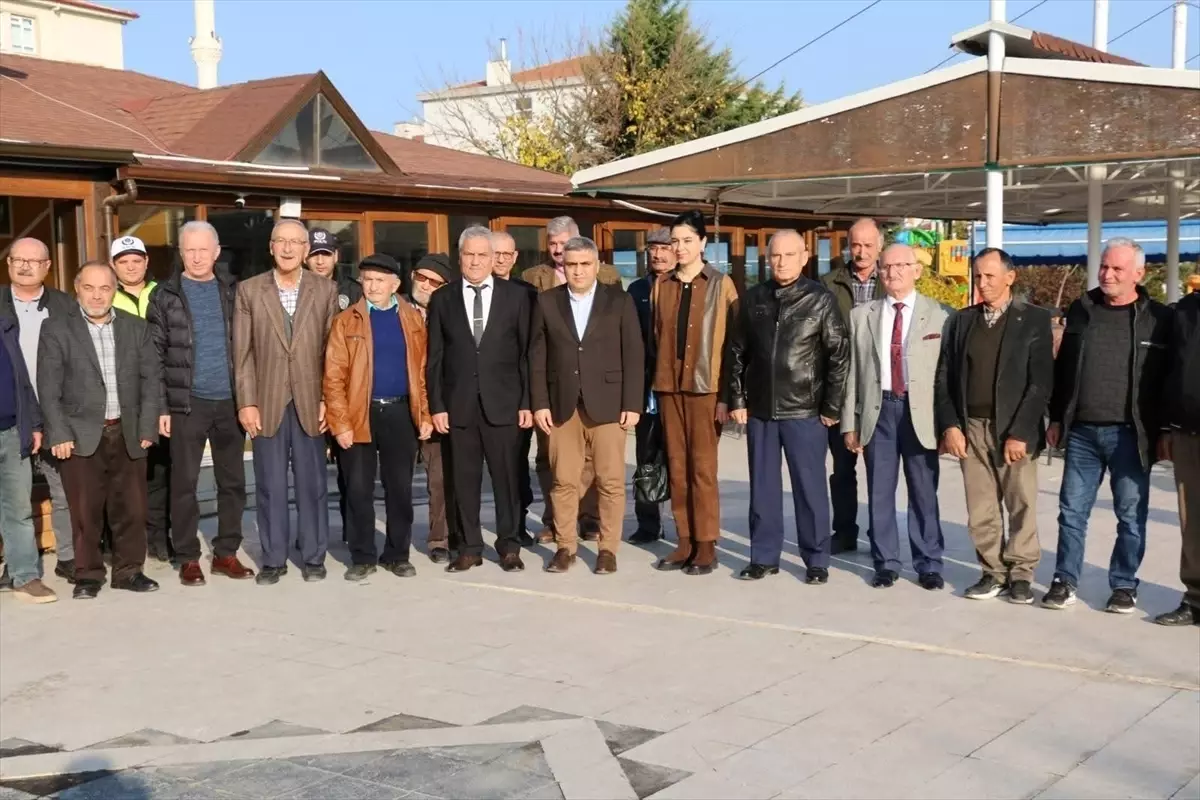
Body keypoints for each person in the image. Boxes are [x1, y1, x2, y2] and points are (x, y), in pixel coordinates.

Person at [1045, 237, 1173, 613]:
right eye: (1104, 266)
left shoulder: (1158, 319)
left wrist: (1165, 430)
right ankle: (1064, 580)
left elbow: (1167, 378)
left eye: (1117, 268)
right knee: (1071, 512)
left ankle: (1124, 584)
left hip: (1131, 435)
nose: (1107, 274)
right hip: (1081, 433)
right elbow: (1063, 369)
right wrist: (1057, 417)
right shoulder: (1081, 309)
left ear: (1138, 274)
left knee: (1130, 516)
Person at [726, 230, 849, 584]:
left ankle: (816, 559)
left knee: (810, 489)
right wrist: (738, 399)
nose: (781, 262)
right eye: (775, 256)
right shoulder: (754, 299)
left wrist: (831, 406)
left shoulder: (820, 300)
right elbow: (736, 352)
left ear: (804, 257)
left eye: (789, 255)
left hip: (805, 412)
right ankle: (764, 557)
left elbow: (839, 356)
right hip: (762, 412)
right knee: (763, 489)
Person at [935, 248, 1054, 605]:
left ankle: (1021, 574)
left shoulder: (1033, 319)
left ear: (1009, 277)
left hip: (1013, 429)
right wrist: (950, 426)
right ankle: (992, 572)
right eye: (978, 276)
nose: (982, 283)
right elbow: (945, 376)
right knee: (981, 507)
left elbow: (1040, 382)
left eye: (989, 276)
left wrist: (1020, 432)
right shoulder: (962, 321)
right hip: (971, 427)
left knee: (1021, 504)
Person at [37, 261, 161, 599]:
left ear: (114, 290)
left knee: (132, 509)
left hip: (128, 431)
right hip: (79, 435)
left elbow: (151, 381)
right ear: (77, 289)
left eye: (105, 288)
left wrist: (148, 426)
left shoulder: (136, 328)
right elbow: (48, 387)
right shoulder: (57, 328)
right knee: (84, 512)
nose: (96, 296)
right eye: (89, 288)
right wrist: (59, 433)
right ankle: (88, 575)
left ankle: (129, 571)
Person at [147, 221, 254, 587]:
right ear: (181, 253)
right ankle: (188, 556)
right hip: (186, 403)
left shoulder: (234, 291)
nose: (196, 257)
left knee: (232, 482)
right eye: (189, 250)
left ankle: (226, 553)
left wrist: (249, 399)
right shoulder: (165, 295)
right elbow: (154, 356)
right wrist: (162, 407)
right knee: (184, 483)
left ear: (216, 252)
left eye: (203, 250)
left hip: (229, 402)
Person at [233, 218, 338, 585]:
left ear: (306, 250)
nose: (288, 248)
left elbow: (332, 352)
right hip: (267, 401)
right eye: (281, 241)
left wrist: (329, 399)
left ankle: (313, 557)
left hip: (311, 401)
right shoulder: (249, 291)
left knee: (313, 485)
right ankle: (273, 559)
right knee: (270, 485)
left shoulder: (325, 290)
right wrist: (247, 402)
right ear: (271, 247)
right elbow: (242, 353)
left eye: (296, 242)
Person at [530, 236, 643, 574]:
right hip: (562, 405)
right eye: (571, 264)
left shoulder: (619, 300)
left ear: (596, 265)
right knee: (563, 481)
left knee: (610, 481)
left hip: (609, 405)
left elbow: (633, 354)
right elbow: (537, 357)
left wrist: (632, 402)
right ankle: (565, 547)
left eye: (584, 264)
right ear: (562, 266)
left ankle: (608, 549)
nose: (578, 270)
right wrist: (540, 403)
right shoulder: (546, 302)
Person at [842, 243, 949, 591]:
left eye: (902, 265)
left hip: (920, 414)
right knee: (879, 491)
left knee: (923, 492)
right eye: (887, 267)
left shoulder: (940, 315)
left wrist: (949, 425)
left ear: (917, 270)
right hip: (879, 412)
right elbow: (853, 373)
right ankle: (885, 562)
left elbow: (946, 376)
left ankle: (928, 563)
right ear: (879, 272)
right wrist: (850, 423)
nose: (894, 272)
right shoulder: (862, 315)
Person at [426, 225, 532, 573]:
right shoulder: (443, 299)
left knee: (507, 481)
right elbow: (435, 357)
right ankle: (469, 546)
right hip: (459, 406)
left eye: (482, 255)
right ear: (460, 258)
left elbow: (527, 355)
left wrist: (527, 402)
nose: (475, 261)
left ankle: (509, 545)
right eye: (468, 254)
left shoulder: (517, 297)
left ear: (493, 258)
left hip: (505, 404)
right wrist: (438, 405)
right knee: (463, 481)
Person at [325, 254, 433, 581]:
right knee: (358, 489)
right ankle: (362, 556)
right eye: (367, 280)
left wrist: (424, 414)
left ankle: (397, 555)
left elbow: (423, 372)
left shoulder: (413, 319)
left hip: (400, 413)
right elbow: (333, 377)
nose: (372, 287)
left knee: (399, 489)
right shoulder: (346, 321)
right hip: (360, 412)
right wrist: (340, 423)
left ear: (395, 284)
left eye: (379, 281)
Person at [654, 210, 739, 576]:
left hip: (706, 388)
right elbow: (656, 335)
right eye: (675, 241)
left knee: (702, 469)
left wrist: (727, 396)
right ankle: (684, 540)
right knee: (677, 466)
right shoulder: (663, 284)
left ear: (703, 242)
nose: (680, 247)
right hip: (669, 386)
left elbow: (734, 345)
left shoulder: (722, 284)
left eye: (688, 240)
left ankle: (706, 544)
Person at [521, 216, 613, 545]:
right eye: (553, 244)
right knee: (550, 459)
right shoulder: (532, 278)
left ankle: (588, 517)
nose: (558, 250)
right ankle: (554, 521)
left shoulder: (608, 277)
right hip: (553, 383)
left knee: (590, 459)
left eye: (564, 243)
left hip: (593, 384)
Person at [1, 237, 77, 583]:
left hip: (55, 408)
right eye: (18, 259)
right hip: (12, 410)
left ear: (47, 267)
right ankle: (15, 563)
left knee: (63, 490)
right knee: (12, 498)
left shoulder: (64, 305)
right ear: (8, 264)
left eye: (33, 261)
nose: (25, 266)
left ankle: (69, 557)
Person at [821, 218, 885, 554]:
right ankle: (844, 531)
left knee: (880, 471)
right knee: (842, 470)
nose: (861, 252)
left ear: (880, 246)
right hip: (841, 388)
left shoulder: (890, 280)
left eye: (868, 245)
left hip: (881, 389)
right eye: (855, 245)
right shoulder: (828, 284)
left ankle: (880, 535)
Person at [110, 234, 172, 563]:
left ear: (146, 262)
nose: (131, 267)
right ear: (113, 266)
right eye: (124, 262)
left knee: (159, 473)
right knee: (122, 475)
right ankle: (119, 540)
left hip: (160, 394)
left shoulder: (164, 293)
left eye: (137, 260)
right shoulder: (106, 295)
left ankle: (159, 536)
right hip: (120, 398)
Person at [0, 311, 56, 603]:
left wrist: (34, 424)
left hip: (11, 432)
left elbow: (22, 379)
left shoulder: (5, 326)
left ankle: (24, 577)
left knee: (18, 509)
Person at [626, 226, 675, 544]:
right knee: (646, 457)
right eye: (653, 249)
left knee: (679, 458)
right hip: (645, 387)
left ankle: (686, 525)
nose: (658, 254)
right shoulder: (636, 290)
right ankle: (647, 524)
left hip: (677, 386)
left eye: (665, 248)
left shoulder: (685, 286)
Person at [409, 253, 458, 564]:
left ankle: (440, 538)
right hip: (401, 405)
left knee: (439, 479)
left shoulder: (452, 314)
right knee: (395, 481)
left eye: (434, 282)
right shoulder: (395, 309)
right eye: (421, 277)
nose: (425, 285)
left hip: (439, 406)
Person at [1157, 289, 1200, 625]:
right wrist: (1165, 427)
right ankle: (1195, 598)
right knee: (1191, 521)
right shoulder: (1185, 309)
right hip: (1186, 431)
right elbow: (1168, 369)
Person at [492, 230, 538, 546]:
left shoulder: (528, 294)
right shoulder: (467, 292)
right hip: (481, 391)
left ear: (515, 257)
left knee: (517, 463)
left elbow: (533, 347)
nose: (501, 260)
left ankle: (518, 524)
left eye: (506, 254)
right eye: (495, 253)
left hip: (518, 394)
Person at [305, 228, 362, 310]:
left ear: (335, 256)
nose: (320, 261)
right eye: (314, 254)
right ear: (305, 258)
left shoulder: (353, 290)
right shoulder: (296, 290)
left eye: (326, 254)